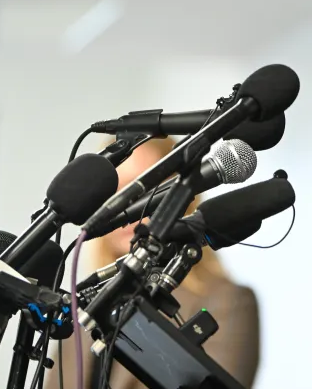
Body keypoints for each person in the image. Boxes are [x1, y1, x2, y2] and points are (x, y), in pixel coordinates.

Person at [48, 137, 261, 389]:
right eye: (113, 194)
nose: (124, 206)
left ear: (183, 198)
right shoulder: (87, 306)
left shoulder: (229, 301)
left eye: (140, 190)